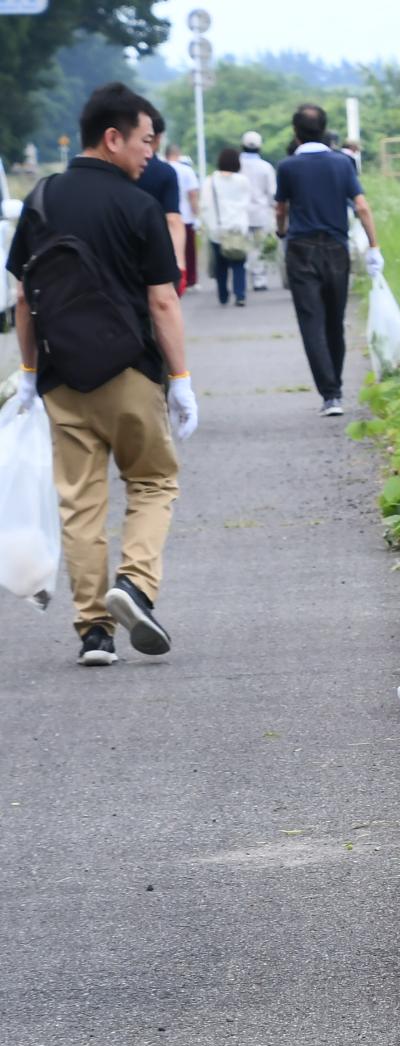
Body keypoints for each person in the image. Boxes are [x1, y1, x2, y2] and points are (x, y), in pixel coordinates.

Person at [6, 82, 198, 665]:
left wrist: (27, 371)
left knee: (80, 503)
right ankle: (134, 586)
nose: (150, 154)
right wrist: (181, 379)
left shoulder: (41, 199)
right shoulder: (139, 206)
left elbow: (23, 296)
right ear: (113, 138)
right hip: (131, 371)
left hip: (61, 376)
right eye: (145, 141)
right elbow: (162, 300)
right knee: (153, 481)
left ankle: (94, 632)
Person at [274, 103, 381, 417]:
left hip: (301, 250)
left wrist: (281, 231)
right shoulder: (342, 163)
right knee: (335, 321)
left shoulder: (288, 167)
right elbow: (362, 207)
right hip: (336, 248)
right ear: (324, 129)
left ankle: (330, 395)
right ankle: (337, 388)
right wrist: (374, 246)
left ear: (295, 132)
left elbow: (281, 209)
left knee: (312, 322)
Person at [200, 146, 253, 307]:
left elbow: (205, 205)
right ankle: (240, 295)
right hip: (238, 228)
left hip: (218, 230)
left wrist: (209, 226)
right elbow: (247, 203)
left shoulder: (210, 181)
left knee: (221, 265)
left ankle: (223, 294)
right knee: (239, 262)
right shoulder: (243, 180)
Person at [133, 139, 185, 295]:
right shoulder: (165, 172)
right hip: (157, 246)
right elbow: (173, 219)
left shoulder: (110, 177)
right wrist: (180, 263)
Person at [238, 130, 277, 292]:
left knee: (243, 246)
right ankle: (259, 280)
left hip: (240, 213)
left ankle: (242, 277)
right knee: (260, 247)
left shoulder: (237, 165)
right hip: (261, 212)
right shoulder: (266, 167)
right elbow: (272, 192)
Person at [164, 142, 201, 293]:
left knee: (169, 250)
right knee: (188, 251)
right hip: (185, 216)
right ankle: (190, 280)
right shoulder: (186, 170)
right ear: (178, 154)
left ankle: (170, 279)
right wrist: (196, 213)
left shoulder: (162, 169)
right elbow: (193, 194)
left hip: (166, 216)